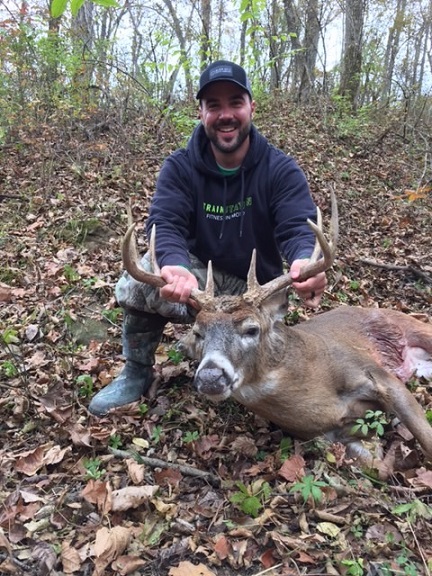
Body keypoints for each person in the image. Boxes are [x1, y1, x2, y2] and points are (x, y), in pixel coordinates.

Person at [88, 60, 327, 416]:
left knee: (275, 369)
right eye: (214, 105)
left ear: (251, 107)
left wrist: (304, 259)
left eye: (235, 103)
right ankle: (136, 371)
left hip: (254, 291)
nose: (225, 115)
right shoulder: (180, 167)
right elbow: (165, 222)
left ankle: (254, 371)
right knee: (140, 278)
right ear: (200, 112)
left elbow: (297, 225)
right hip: (199, 285)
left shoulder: (279, 169)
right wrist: (173, 265)